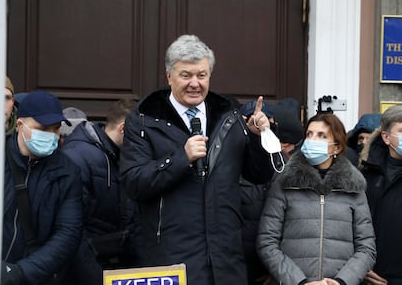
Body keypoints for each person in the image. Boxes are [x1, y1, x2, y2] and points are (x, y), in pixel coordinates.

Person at [119, 34, 274, 284]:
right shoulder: (143, 121)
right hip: (171, 260)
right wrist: (181, 158)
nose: (194, 83)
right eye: (186, 75)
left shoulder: (229, 117)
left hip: (225, 260)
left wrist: (258, 137)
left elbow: (259, 174)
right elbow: (133, 182)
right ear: (169, 76)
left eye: (201, 75)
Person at [257, 113, 376, 285]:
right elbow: (267, 242)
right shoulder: (285, 183)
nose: (313, 140)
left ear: (337, 147)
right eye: (309, 134)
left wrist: (342, 281)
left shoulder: (353, 188)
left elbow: (366, 247)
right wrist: (299, 281)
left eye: (322, 136)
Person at [2, 90, 83, 284]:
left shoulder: (67, 172)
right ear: (20, 125)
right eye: (43, 128)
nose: (52, 135)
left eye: (56, 129)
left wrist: (20, 273)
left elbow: (67, 234)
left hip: (34, 277)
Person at [62, 98, 141, 285]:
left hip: (113, 268)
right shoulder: (79, 157)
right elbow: (72, 230)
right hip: (89, 272)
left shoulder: (121, 156)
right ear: (123, 129)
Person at [239, 103, 304, 285]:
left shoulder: (287, 168)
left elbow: (296, 222)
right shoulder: (233, 163)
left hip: (276, 268)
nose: (260, 129)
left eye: (266, 124)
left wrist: (277, 270)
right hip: (238, 265)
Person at [359, 105, 402, 285]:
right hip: (372, 274)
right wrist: (361, 267)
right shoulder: (365, 174)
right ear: (386, 137)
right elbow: (352, 226)